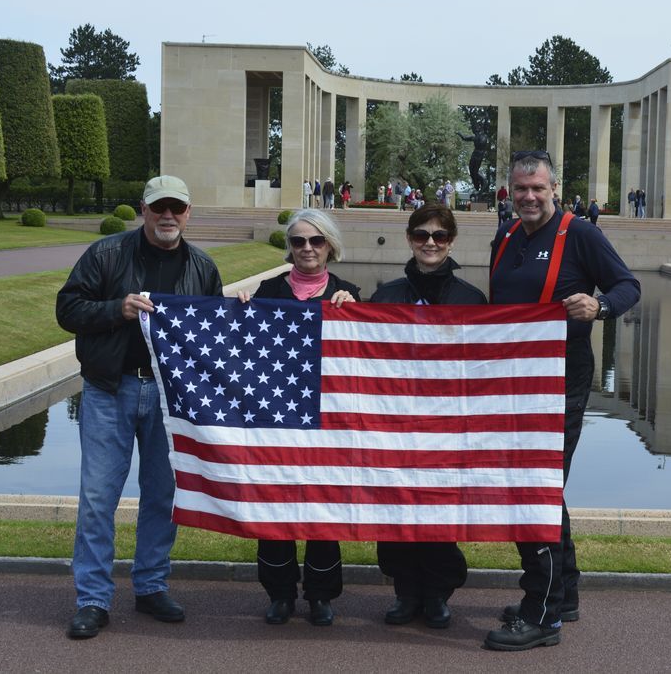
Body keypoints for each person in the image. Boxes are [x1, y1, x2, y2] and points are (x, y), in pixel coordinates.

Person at [484, 151, 640, 651]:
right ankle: (565, 594)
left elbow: (628, 286)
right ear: (510, 190)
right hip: (513, 380)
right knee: (546, 486)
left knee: (536, 488)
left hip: (563, 380)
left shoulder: (582, 234)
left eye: (538, 188)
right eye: (520, 188)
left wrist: (601, 306)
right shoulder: (505, 236)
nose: (529, 197)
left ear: (554, 189)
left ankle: (542, 614)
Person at [56, 175, 223, 639]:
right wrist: (118, 309)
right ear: (143, 210)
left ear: (188, 213)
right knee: (96, 499)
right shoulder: (106, 254)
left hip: (172, 398)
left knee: (163, 496)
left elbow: (211, 334)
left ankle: (150, 585)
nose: (168, 216)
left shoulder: (203, 266)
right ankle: (92, 598)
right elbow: (67, 309)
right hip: (111, 389)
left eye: (177, 208)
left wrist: (238, 308)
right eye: (159, 208)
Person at [236, 209, 358, 627]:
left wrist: (357, 314)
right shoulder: (266, 291)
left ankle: (321, 596)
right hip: (276, 417)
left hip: (330, 419)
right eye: (299, 241)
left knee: (323, 512)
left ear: (330, 246)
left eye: (316, 241)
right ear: (289, 247)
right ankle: (280, 594)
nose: (307, 248)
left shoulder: (350, 294)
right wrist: (239, 312)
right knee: (276, 509)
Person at [370, 203, 486, 629]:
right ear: (410, 239)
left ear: (451, 241)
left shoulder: (471, 299)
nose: (431, 243)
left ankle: (437, 593)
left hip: (447, 425)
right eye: (422, 235)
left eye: (439, 236)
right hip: (396, 423)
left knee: (439, 511)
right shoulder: (385, 296)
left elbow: (482, 369)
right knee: (397, 508)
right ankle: (405, 591)